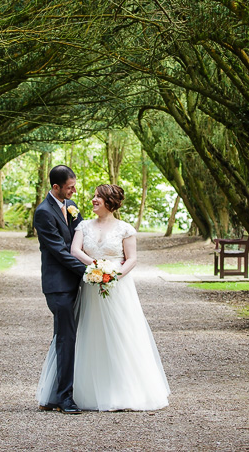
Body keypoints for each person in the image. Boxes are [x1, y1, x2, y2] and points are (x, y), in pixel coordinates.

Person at [37, 184, 170, 412]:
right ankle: (86, 391)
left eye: (98, 197)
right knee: (90, 333)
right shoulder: (83, 226)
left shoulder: (125, 229)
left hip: (118, 288)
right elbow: (75, 251)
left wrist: (113, 275)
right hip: (91, 285)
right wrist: (97, 267)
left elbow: (132, 259)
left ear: (110, 202)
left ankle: (123, 392)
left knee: (122, 334)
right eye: (94, 195)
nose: (93, 199)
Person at [34, 165, 87, 414]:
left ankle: (53, 394)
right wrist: (89, 271)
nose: (73, 191)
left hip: (75, 282)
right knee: (66, 337)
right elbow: (60, 251)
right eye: (70, 187)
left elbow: (83, 237)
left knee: (66, 336)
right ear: (56, 187)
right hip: (58, 286)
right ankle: (65, 398)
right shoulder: (43, 213)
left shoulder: (71, 205)